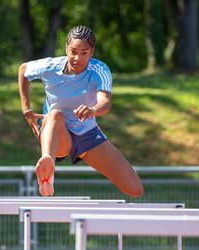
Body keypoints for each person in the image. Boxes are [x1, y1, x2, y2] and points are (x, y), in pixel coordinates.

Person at [18, 25, 143, 198]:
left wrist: (92, 110)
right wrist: (27, 108)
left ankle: (49, 163)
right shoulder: (50, 66)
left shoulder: (99, 70)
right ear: (66, 48)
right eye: (73, 51)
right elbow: (23, 69)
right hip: (55, 134)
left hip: (86, 132)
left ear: (92, 52)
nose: (77, 58)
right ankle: (48, 164)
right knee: (55, 114)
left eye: (84, 53)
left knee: (135, 189)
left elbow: (105, 103)